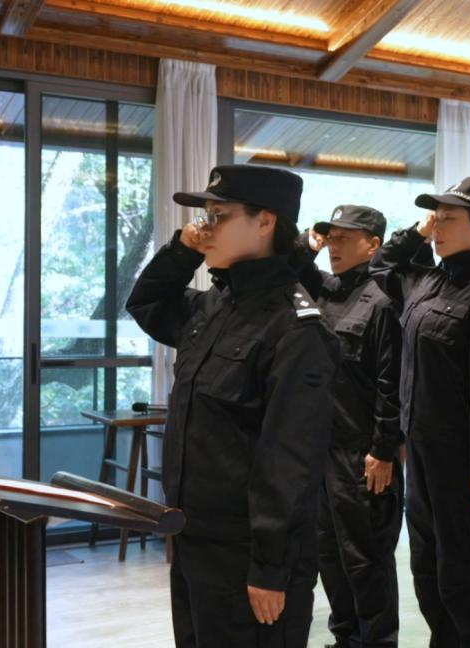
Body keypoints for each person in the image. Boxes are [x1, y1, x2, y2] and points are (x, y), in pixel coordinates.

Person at [126, 165, 337, 647]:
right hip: (193, 536)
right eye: (205, 215)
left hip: (248, 553)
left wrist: (270, 567)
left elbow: (290, 463)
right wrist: (182, 251)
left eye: (218, 216)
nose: (205, 227)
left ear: (265, 222)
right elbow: (146, 304)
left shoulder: (297, 328)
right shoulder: (214, 306)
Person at [370, 177, 470, 648]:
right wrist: (417, 231)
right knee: (428, 570)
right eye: (436, 217)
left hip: (463, 461)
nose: (438, 226)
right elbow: (380, 266)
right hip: (421, 454)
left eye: (450, 218)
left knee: (467, 576)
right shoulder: (427, 280)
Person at [296, 205, 404, 648]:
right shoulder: (323, 291)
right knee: (329, 554)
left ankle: (377, 641)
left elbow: (391, 384)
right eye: (331, 237)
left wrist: (383, 449)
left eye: (345, 238)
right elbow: (289, 267)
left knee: (366, 558)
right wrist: (308, 245)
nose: (334, 246)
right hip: (321, 449)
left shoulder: (382, 302)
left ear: (373, 244)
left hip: (362, 454)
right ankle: (346, 638)